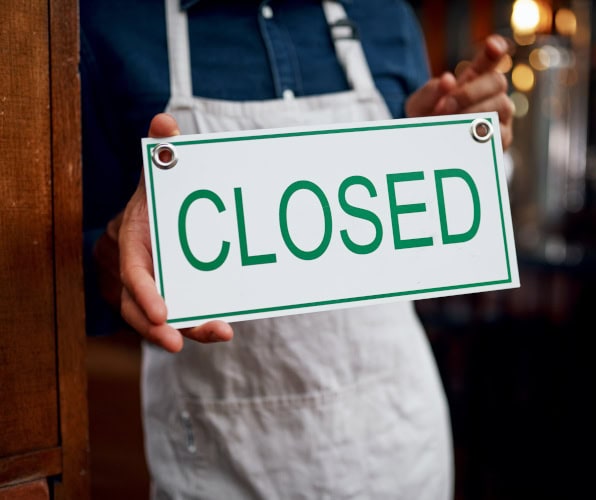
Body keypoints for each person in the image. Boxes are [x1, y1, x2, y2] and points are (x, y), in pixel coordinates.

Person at [81, 0, 513, 497]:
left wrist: (447, 138)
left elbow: (418, 228)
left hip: (400, 447)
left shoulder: (387, 16)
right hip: (223, 463)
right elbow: (76, 270)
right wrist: (114, 255)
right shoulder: (110, 24)